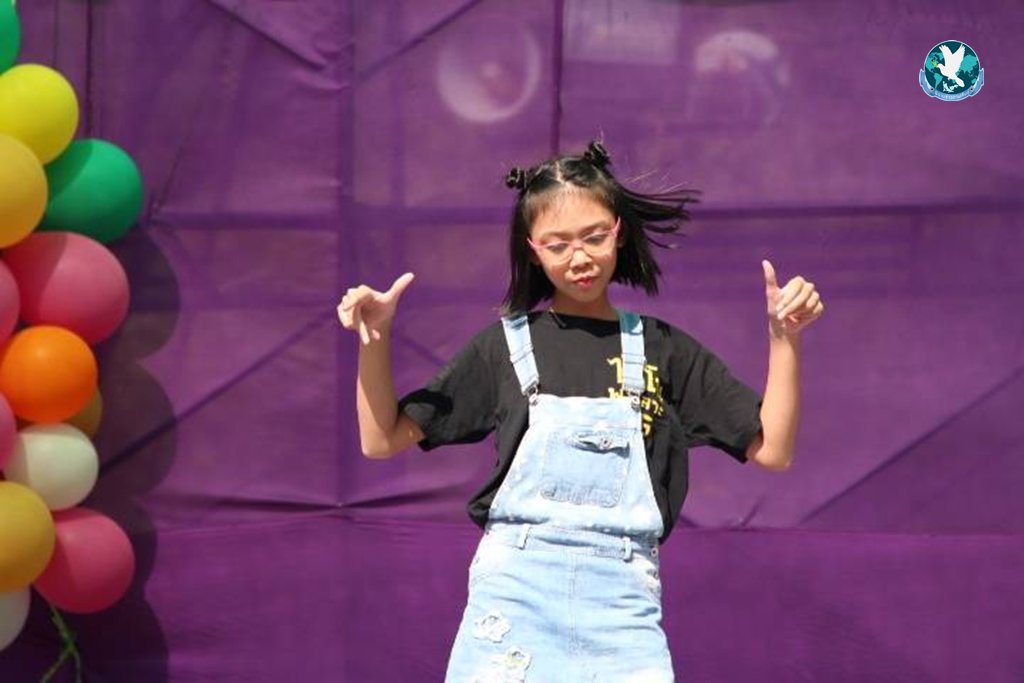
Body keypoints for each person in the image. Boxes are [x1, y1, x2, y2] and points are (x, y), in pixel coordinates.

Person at [337, 140, 824, 682]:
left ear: (619, 231)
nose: (580, 257)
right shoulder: (503, 347)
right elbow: (382, 438)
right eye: (558, 244)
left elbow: (773, 449)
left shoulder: (664, 349)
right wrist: (374, 340)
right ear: (532, 250)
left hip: (623, 604)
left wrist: (785, 338)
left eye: (594, 237)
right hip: (515, 593)